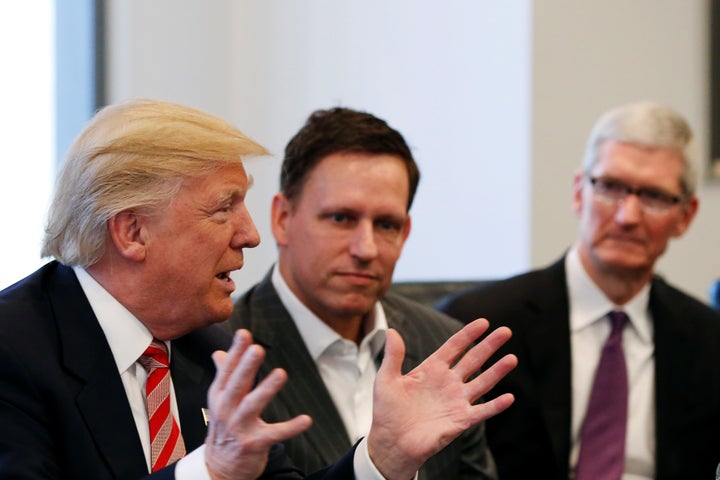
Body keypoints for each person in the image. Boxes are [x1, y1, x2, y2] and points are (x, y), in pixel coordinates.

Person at [0, 98, 517, 480]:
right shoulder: (15, 349)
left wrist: (383, 457)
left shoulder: (213, 349)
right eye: (224, 208)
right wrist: (210, 471)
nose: (249, 235)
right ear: (133, 231)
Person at [436, 100, 720, 480]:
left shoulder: (709, 340)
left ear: (685, 216)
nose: (627, 216)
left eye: (653, 196)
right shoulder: (479, 323)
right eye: (611, 187)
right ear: (578, 192)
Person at [228, 107, 498, 479]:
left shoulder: (445, 345)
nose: (366, 248)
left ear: (404, 234)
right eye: (341, 218)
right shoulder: (225, 356)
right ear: (282, 219)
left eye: (387, 224)